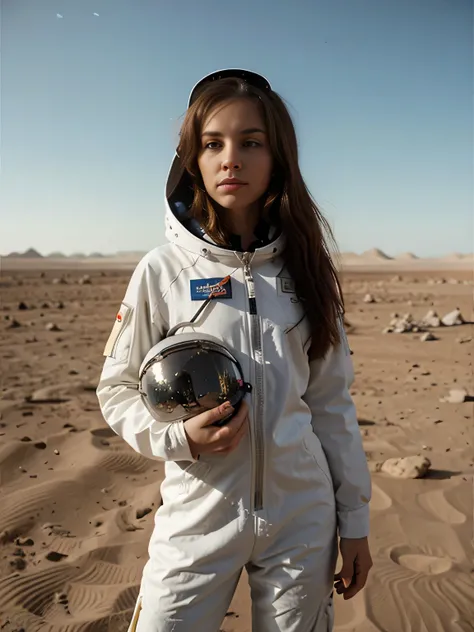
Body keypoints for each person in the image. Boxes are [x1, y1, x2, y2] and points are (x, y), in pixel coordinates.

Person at [97, 69, 373, 632]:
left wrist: (356, 519)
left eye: (251, 143)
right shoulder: (163, 270)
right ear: (191, 158)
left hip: (302, 519)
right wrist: (178, 438)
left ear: (278, 157)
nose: (231, 159)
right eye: (213, 143)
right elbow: (117, 387)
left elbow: (331, 405)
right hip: (198, 516)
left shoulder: (308, 270)